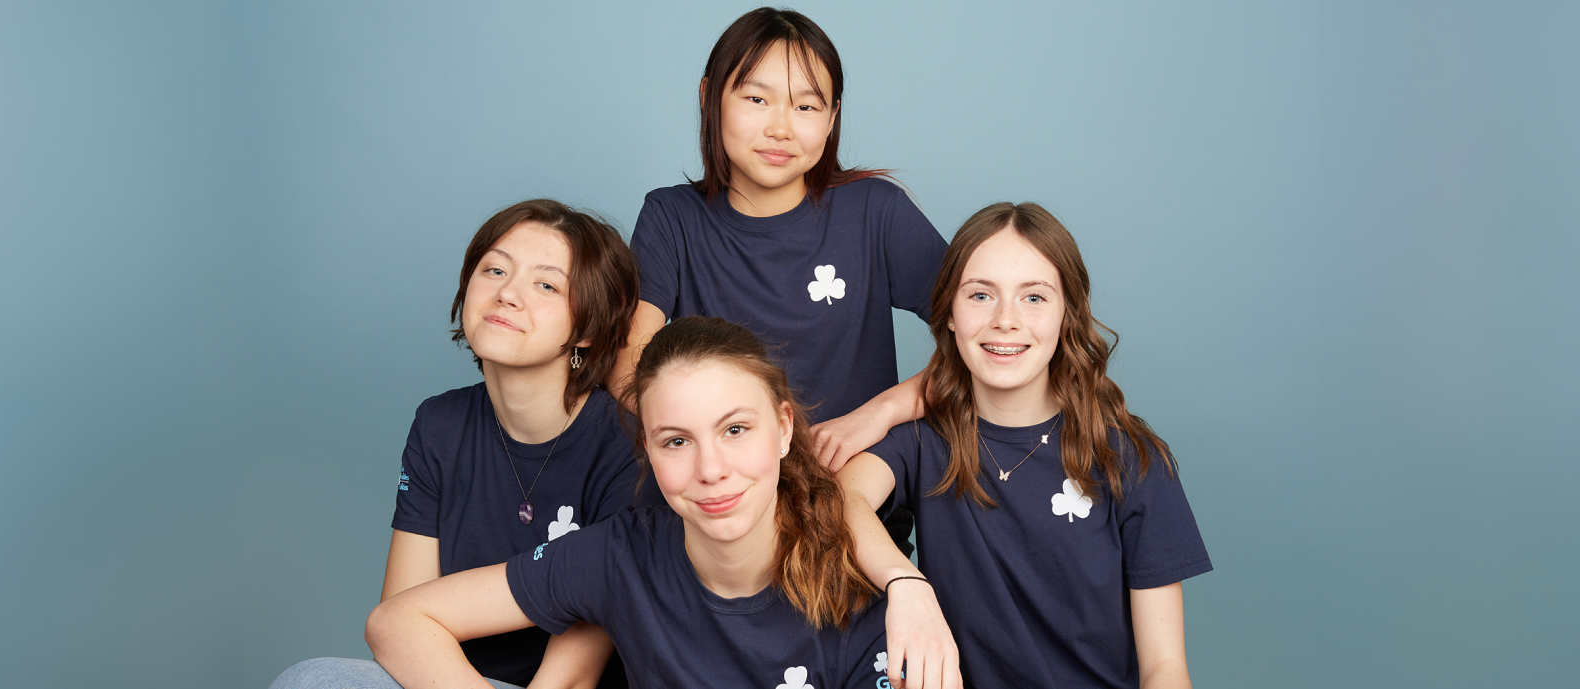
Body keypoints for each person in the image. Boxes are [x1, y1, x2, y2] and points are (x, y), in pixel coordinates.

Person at [365, 316, 892, 689]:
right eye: (676, 441)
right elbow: (397, 620)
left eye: (735, 429)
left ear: (782, 429)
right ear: (648, 450)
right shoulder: (622, 552)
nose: (710, 470)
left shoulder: (860, 594)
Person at [271, 199, 656, 689]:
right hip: (450, 680)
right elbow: (397, 622)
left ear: (587, 328)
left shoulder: (627, 445)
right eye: (494, 269)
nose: (507, 294)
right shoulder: (440, 424)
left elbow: (573, 677)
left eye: (546, 284)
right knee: (312, 681)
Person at [838, 203, 1213, 689]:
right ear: (950, 314)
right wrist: (906, 583)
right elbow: (843, 497)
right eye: (980, 296)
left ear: (1066, 315)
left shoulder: (1129, 458)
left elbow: (1165, 668)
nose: (1005, 321)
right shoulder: (921, 442)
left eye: (1034, 298)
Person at [614, 7, 949, 474]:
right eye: (756, 99)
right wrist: (732, 446)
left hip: (852, 484)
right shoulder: (671, 217)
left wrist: (881, 413)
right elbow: (630, 363)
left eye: (806, 106)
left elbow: (985, 339)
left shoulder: (875, 211)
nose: (781, 128)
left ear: (832, 118)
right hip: (723, 486)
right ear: (710, 96)